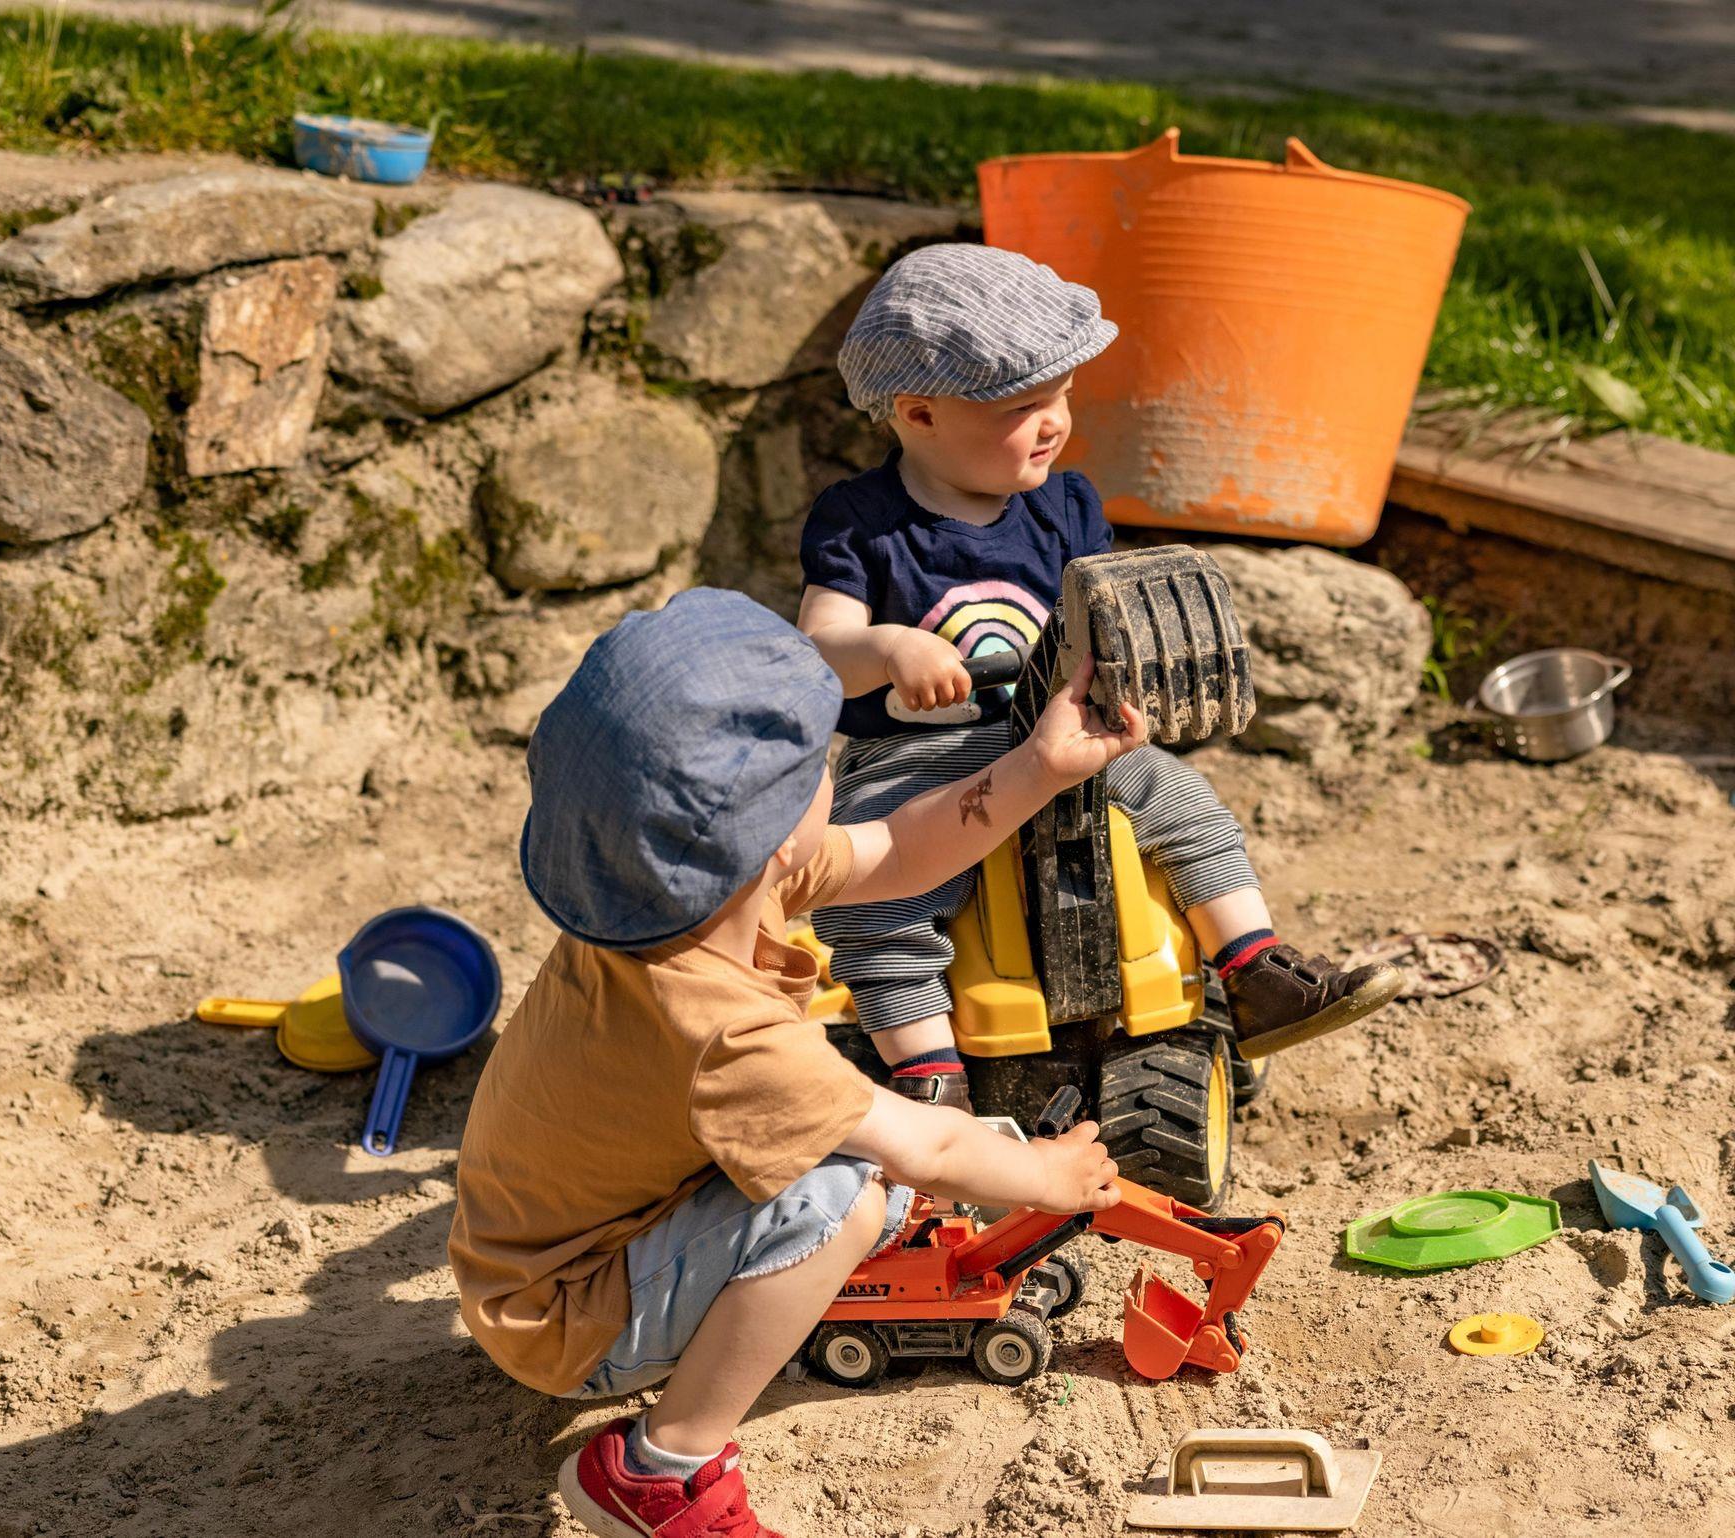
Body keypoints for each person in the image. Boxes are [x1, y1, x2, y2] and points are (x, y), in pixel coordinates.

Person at [449, 587, 1144, 1538]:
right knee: (846, 1194)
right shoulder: (722, 1026)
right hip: (572, 1321)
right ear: (777, 838)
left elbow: (903, 845)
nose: (835, 768)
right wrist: (1046, 1175)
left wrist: (1039, 768)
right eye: (823, 761)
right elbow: (928, 1147)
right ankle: (661, 1467)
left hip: (546, 1259)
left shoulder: (673, 894)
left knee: (854, 1172)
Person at [798, 244, 1403, 1114]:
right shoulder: (861, 523)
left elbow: (1103, 617)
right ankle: (927, 1076)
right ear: (919, 413)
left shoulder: (1065, 505)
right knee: (865, 895)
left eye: (1063, 396)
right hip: (914, 759)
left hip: (1065, 738)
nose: (1054, 422)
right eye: (1024, 407)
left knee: (1185, 803)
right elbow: (818, 646)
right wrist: (889, 648)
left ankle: (1254, 971)